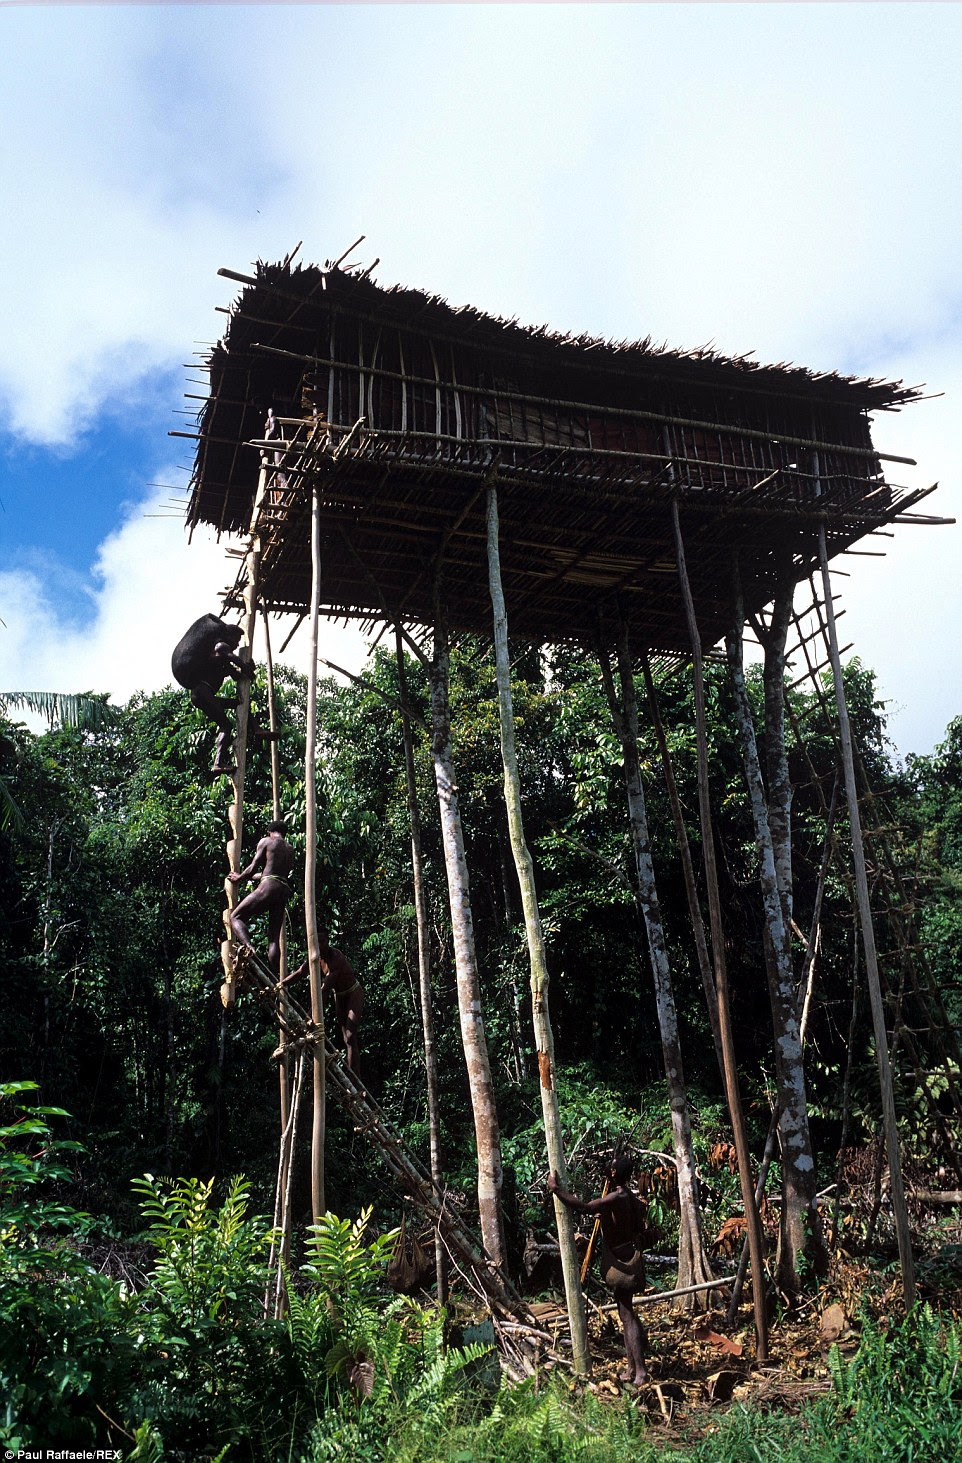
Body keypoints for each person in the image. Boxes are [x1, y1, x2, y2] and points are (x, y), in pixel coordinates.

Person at [547, 1155, 653, 1385]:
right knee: (626, 1315)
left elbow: (582, 1207)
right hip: (629, 1257)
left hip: (622, 1262)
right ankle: (632, 1368)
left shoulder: (615, 1197)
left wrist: (556, 1189)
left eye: (611, 1166)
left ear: (614, 1173)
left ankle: (641, 1371)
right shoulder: (629, 1198)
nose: (608, 1167)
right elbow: (634, 1226)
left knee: (627, 1316)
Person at [171, 614, 251, 774]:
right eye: (236, 641)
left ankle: (256, 729)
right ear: (229, 636)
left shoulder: (218, 663)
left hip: (202, 695)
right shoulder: (221, 649)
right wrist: (244, 665)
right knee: (226, 725)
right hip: (203, 692)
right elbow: (228, 654)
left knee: (239, 704)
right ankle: (218, 763)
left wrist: (247, 669)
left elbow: (237, 675)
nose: (236, 646)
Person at [286, 928, 365, 1077]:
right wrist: (281, 985)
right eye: (318, 942)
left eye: (323, 941)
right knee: (345, 1039)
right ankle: (351, 1076)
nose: (321, 945)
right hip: (340, 996)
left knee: (350, 1035)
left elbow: (324, 990)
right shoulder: (315, 958)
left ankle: (355, 1080)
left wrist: (307, 1018)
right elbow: (300, 973)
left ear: (327, 941)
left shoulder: (336, 957)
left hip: (353, 993)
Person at [228, 821, 295, 976]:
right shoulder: (290, 849)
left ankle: (249, 947)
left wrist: (239, 878)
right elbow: (273, 872)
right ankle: (274, 976)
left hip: (269, 886)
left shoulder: (267, 841)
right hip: (283, 889)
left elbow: (253, 867)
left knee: (235, 917)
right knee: (273, 939)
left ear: (269, 831)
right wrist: (254, 877)